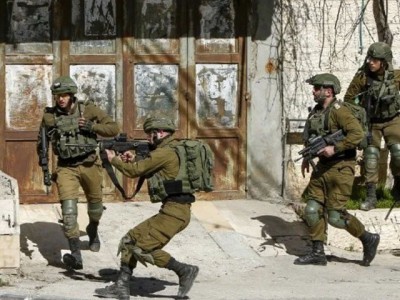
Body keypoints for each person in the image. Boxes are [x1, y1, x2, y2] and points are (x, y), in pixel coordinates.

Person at [94, 116, 199, 300]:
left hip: (175, 213)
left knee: (142, 249)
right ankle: (121, 287)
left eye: (150, 135)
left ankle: (184, 270)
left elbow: (134, 171)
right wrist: (133, 158)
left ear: (159, 133)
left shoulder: (164, 153)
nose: (148, 138)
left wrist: (114, 160)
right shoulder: (171, 149)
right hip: (172, 210)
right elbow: (155, 168)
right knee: (129, 240)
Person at [295, 73, 380, 266]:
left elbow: (357, 134)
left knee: (335, 216)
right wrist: (307, 158)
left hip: (341, 168)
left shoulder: (340, 111)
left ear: (328, 90)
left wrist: (335, 148)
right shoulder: (317, 112)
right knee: (312, 208)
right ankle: (317, 252)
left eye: (317, 88)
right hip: (322, 168)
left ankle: (368, 238)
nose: (313, 91)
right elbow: (312, 138)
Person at [37, 75, 120, 270]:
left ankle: (93, 228)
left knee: (96, 207)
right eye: (57, 95)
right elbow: (42, 143)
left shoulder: (88, 109)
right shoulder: (50, 116)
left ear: (71, 94)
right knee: (68, 211)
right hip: (66, 167)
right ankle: (75, 255)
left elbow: (114, 128)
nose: (61, 99)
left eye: (64, 95)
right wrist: (44, 168)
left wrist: (93, 127)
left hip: (90, 163)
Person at [344, 42, 400, 211]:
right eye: (370, 59)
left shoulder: (395, 76)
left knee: (398, 152)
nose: (371, 62)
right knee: (371, 155)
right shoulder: (362, 78)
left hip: (393, 118)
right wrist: (360, 114)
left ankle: (398, 185)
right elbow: (348, 99)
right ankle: (371, 196)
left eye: (375, 60)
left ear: (384, 62)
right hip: (371, 122)